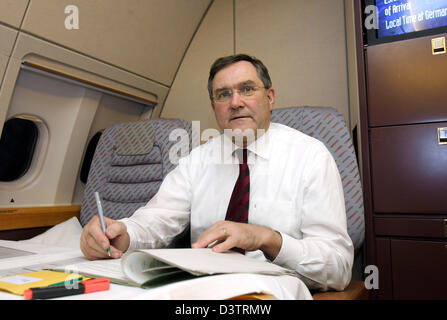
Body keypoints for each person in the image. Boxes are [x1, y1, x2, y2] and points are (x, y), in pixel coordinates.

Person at [80, 54, 354, 291]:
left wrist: (267, 238)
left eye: (247, 89)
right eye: (224, 94)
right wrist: (122, 233)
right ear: (214, 107)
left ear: (270, 98)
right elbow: (156, 219)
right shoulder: (198, 159)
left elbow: (338, 267)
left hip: (274, 290)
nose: (235, 102)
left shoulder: (310, 157)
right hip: (204, 287)